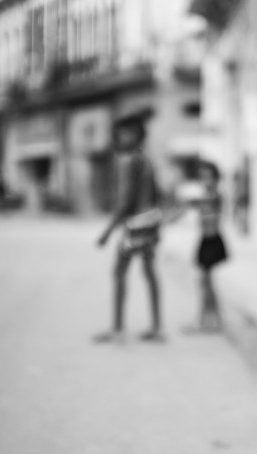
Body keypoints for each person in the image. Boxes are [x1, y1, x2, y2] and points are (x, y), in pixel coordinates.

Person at [95, 112, 164, 342]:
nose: (122, 137)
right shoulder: (146, 159)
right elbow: (156, 194)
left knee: (119, 272)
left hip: (136, 225)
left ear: (136, 135)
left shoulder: (128, 161)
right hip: (150, 222)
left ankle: (117, 329)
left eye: (126, 133)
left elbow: (126, 201)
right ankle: (156, 327)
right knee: (149, 273)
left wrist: (107, 231)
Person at [182, 160, 228, 333]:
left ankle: (205, 321)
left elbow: (210, 213)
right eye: (202, 177)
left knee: (205, 283)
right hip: (205, 240)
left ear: (215, 178)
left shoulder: (214, 195)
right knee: (205, 283)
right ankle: (215, 320)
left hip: (212, 241)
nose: (205, 181)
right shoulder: (207, 196)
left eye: (208, 177)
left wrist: (198, 204)